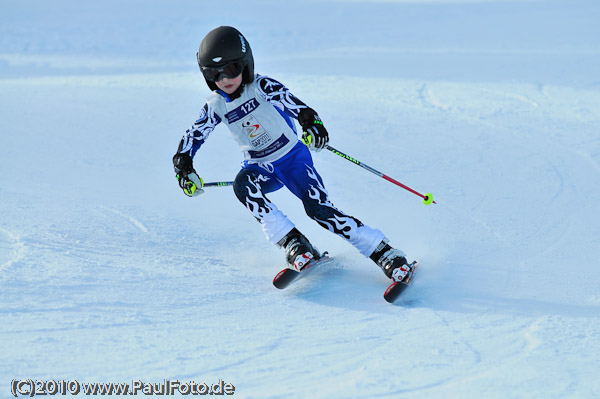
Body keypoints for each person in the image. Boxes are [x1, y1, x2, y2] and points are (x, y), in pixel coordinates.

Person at [172, 26, 412, 283]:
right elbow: (194, 135)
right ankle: (293, 243)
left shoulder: (261, 86)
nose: (223, 79)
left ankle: (384, 252)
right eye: (213, 73)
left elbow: (296, 105)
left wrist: (312, 124)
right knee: (243, 185)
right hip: (260, 167)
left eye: (230, 69)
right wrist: (184, 166)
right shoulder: (215, 105)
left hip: (293, 159)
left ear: (245, 64)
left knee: (319, 210)